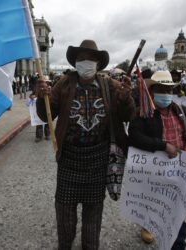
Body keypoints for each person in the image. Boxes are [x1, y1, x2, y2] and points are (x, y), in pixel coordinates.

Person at [36, 39, 135, 250]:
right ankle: (65, 245)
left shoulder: (110, 84)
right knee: (65, 213)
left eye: (91, 59)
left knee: (93, 213)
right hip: (69, 159)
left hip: (98, 160)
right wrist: (41, 97)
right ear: (75, 62)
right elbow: (46, 115)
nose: (86, 63)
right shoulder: (64, 83)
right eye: (82, 59)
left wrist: (126, 98)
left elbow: (128, 115)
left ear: (98, 63)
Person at [128, 70, 186, 249]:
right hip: (154, 170)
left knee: (175, 210)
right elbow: (134, 136)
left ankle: (177, 243)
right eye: (161, 90)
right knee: (153, 204)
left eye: (169, 90)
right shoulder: (143, 113)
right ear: (152, 92)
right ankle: (148, 224)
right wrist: (162, 146)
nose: (166, 94)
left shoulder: (181, 110)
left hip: (178, 169)